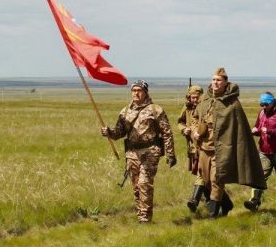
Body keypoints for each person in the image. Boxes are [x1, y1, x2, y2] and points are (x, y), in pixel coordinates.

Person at [194, 67, 266, 218]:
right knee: (206, 181)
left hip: (222, 149)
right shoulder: (205, 100)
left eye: (219, 80)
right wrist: (196, 131)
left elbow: (240, 131)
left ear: (226, 83)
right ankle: (227, 204)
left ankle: (213, 215)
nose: (215, 83)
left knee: (217, 180)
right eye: (213, 79)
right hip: (204, 147)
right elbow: (197, 119)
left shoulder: (232, 103)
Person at [101, 80, 176, 223]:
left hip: (150, 151)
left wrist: (171, 154)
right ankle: (140, 214)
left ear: (145, 92)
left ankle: (145, 219)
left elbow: (167, 132)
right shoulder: (125, 112)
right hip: (132, 153)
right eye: (133, 90)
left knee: (144, 184)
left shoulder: (156, 110)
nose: (136, 93)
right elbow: (119, 133)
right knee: (136, 187)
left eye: (139, 90)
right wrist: (109, 132)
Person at [245, 92, 276, 211]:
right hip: (264, 152)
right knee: (259, 176)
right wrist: (255, 131)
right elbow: (259, 128)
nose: (264, 107)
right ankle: (254, 201)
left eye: (266, 104)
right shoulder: (261, 113)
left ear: (272, 102)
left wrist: (271, 131)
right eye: (262, 104)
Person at [178, 84, 208, 213]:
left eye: (197, 97)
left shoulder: (207, 108)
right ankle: (224, 203)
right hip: (193, 148)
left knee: (202, 173)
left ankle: (194, 200)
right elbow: (180, 122)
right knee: (205, 176)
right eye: (192, 97)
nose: (194, 100)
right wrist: (184, 129)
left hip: (206, 147)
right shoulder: (186, 108)